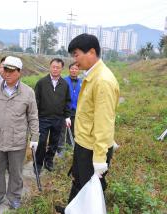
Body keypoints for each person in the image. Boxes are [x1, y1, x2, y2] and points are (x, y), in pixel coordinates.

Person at [55, 34, 120, 213]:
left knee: (91, 188)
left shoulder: (103, 81)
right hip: (84, 142)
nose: (74, 61)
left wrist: (100, 157)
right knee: (78, 180)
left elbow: (103, 122)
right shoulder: (92, 75)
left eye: (76, 55)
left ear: (91, 52)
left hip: (92, 148)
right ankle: (71, 209)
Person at [0, 56, 39, 210]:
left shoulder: (28, 92)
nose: (7, 73)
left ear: (19, 72)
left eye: (11, 71)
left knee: (16, 172)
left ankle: (14, 197)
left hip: (17, 139)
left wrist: (35, 137)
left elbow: (33, 116)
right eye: (5, 69)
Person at [34, 58, 71, 174]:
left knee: (54, 142)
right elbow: (36, 101)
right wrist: (35, 117)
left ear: (61, 69)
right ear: (50, 67)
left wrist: (67, 116)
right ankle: (38, 164)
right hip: (43, 118)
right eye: (53, 66)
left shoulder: (64, 84)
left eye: (58, 67)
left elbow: (67, 101)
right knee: (41, 142)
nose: (55, 69)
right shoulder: (41, 83)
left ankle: (49, 161)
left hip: (58, 119)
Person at [63, 62, 82, 144]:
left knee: (73, 128)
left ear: (78, 71)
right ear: (69, 70)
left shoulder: (82, 82)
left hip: (76, 109)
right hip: (65, 109)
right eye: (72, 69)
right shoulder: (64, 81)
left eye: (76, 69)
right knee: (62, 129)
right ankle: (59, 147)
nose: (74, 70)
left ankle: (70, 145)